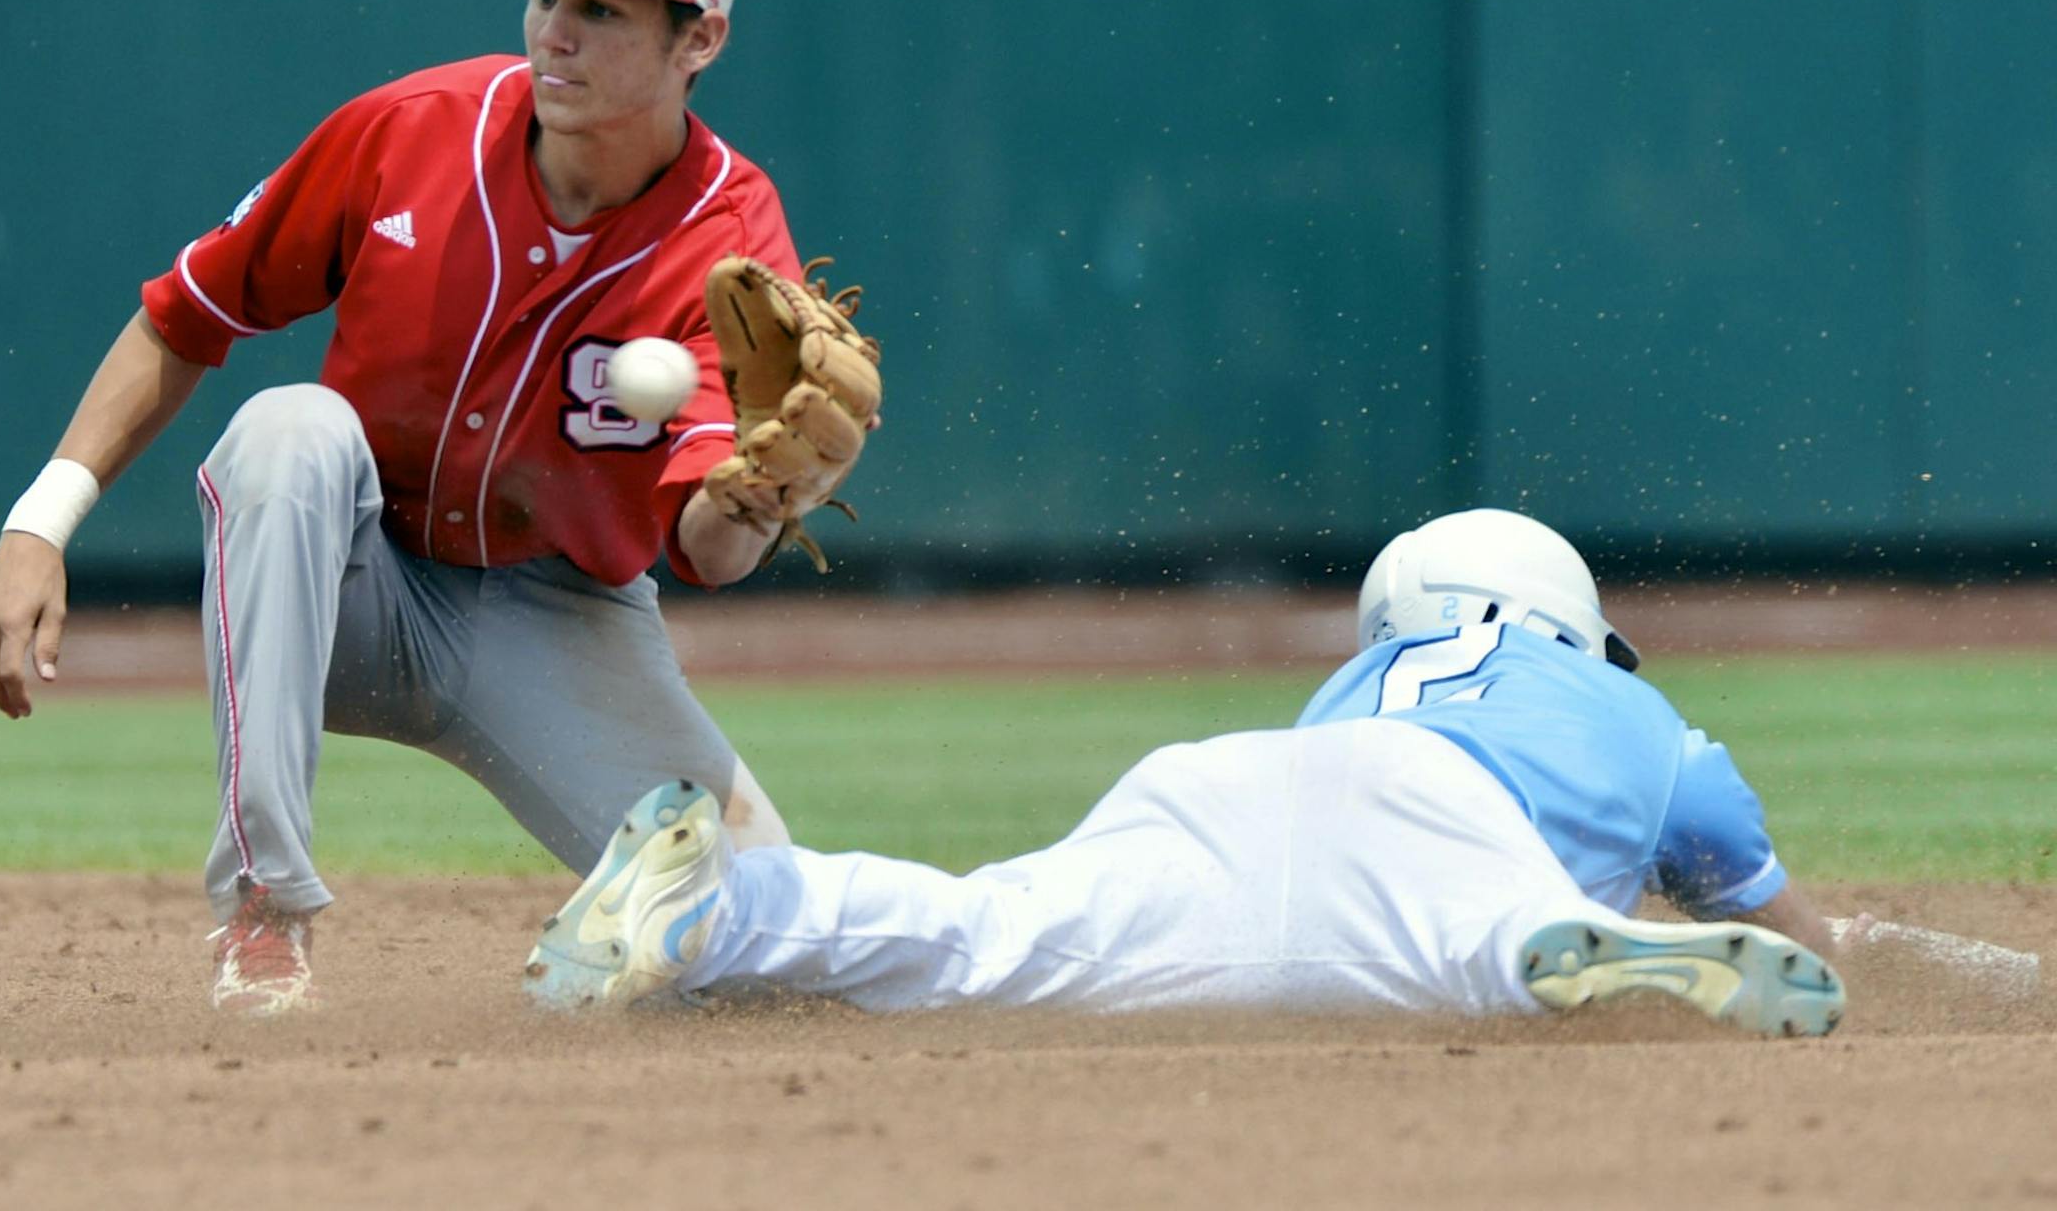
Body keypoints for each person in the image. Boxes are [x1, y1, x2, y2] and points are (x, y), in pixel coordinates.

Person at [0, 0, 816, 1016]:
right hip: (348, 586)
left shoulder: (729, 229)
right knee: (287, 428)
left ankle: (624, 954)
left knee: (775, 943)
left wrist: (766, 494)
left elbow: (708, 552)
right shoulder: (412, 131)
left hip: (558, 620)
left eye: (600, 9)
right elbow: (187, 314)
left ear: (696, 38)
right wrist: (37, 526)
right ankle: (263, 911)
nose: (555, 34)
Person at [521, 509, 1848, 1037]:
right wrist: (1821, 940)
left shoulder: (1364, 674)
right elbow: (1796, 935)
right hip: (1451, 827)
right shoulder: (1643, 717)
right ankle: (1567, 949)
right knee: (1470, 935)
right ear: (1571, 616)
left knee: (987, 928)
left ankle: (725, 906)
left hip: (1238, 778)